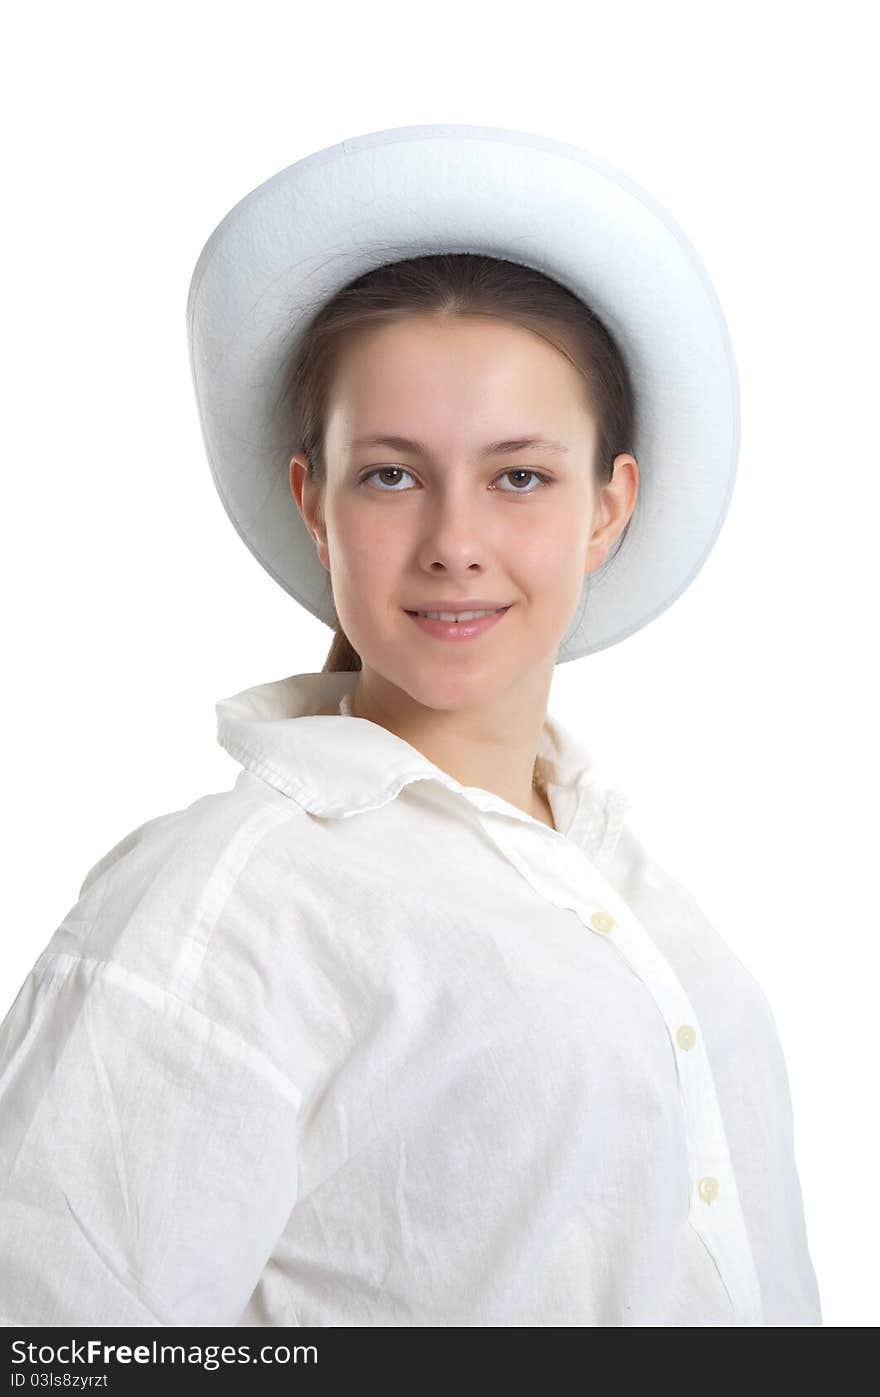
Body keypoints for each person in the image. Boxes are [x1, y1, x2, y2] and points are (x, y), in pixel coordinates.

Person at [0, 124, 822, 1327]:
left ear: (609, 505)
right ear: (312, 504)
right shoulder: (221, 904)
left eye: (519, 476)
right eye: (390, 472)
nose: (453, 537)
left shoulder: (626, 882)